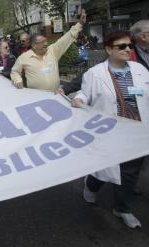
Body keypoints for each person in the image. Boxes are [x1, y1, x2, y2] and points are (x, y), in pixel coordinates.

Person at [71, 31, 149, 229]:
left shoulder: (140, 70)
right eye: (121, 46)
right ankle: (91, 185)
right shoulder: (95, 73)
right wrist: (79, 99)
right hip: (109, 131)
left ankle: (122, 208)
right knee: (103, 169)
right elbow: (84, 93)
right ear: (108, 49)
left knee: (130, 173)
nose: (127, 50)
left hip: (136, 131)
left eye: (129, 46)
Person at [11, 9, 86, 91]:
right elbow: (14, 71)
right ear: (34, 45)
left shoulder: (52, 50)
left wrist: (80, 24)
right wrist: (18, 80)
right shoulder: (24, 57)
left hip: (55, 95)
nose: (46, 44)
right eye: (42, 42)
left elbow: (66, 38)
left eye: (46, 41)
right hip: (36, 98)